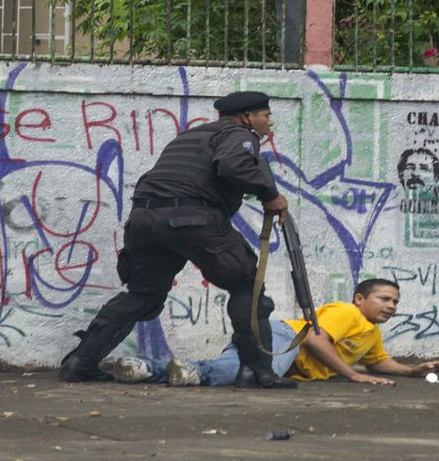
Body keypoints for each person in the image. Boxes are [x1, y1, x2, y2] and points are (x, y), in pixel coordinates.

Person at [59, 91, 296, 389]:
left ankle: (80, 362)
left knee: (143, 294)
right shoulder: (240, 134)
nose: (269, 122)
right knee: (246, 286)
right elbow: (233, 165)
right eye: (265, 115)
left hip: (144, 220)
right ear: (247, 117)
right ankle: (258, 372)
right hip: (192, 218)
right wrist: (271, 196)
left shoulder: (192, 136)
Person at [109, 278, 439, 387]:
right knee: (241, 373)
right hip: (285, 337)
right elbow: (315, 338)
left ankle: (144, 368)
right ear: (360, 299)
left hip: (284, 345)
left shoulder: (370, 333)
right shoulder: (348, 313)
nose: (391, 306)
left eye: (395, 302)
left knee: (234, 370)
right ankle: (187, 370)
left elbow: (378, 363)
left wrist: (412, 370)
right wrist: (352, 377)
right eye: (384, 299)